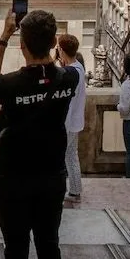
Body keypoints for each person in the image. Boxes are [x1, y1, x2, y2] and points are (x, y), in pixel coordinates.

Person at [0, 9, 80, 259]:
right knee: (49, 247)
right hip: (51, 177)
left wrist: (3, 37)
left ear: (21, 45)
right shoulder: (71, 78)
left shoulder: (11, 85)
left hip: (12, 178)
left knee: (16, 251)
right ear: (54, 41)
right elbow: (62, 66)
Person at [57, 34, 87, 203]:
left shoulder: (71, 72)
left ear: (61, 50)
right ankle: (75, 190)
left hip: (67, 123)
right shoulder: (79, 68)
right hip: (75, 121)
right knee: (71, 155)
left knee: (60, 158)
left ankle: (63, 191)